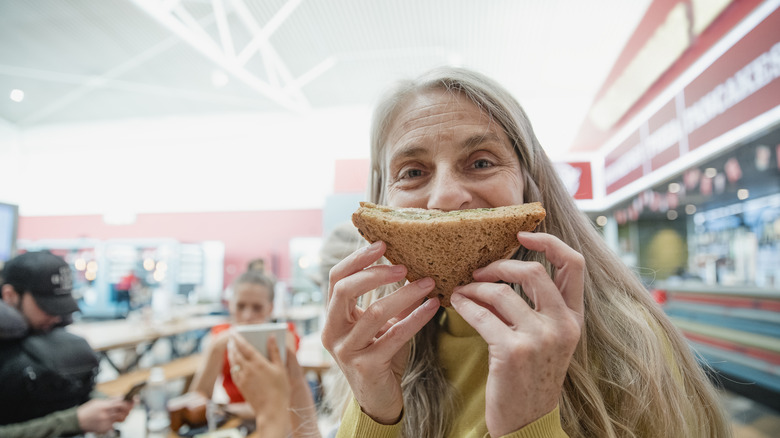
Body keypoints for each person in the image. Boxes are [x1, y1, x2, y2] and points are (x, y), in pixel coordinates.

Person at [320, 67, 732, 437]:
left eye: (481, 162)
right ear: (382, 202)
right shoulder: (373, 349)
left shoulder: (630, 345)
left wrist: (530, 423)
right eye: (412, 172)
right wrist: (373, 412)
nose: (444, 197)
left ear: (530, 185)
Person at [0, 251, 133, 437]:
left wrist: (104, 406)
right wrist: (74, 421)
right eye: (46, 306)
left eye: (60, 307)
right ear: (9, 295)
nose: (56, 316)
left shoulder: (46, 333)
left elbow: (65, 393)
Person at [189, 271, 304, 414]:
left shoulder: (285, 335)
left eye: (257, 308)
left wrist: (225, 410)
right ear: (230, 305)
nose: (248, 316)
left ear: (270, 308)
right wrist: (215, 348)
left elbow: (286, 404)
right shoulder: (220, 337)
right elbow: (196, 402)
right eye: (240, 306)